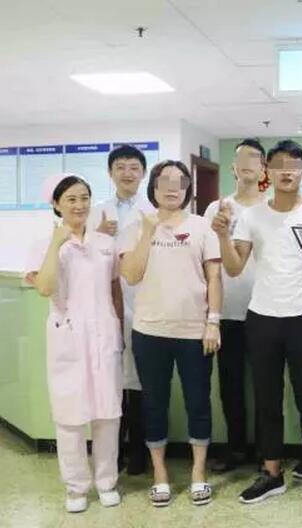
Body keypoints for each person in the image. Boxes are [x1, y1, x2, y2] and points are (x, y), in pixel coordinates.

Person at [213, 140, 302, 505]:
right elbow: (234, 267)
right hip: (262, 318)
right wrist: (222, 235)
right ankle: (271, 473)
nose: (288, 171)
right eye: (280, 164)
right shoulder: (251, 216)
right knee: (266, 400)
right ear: (267, 171)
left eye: (295, 165)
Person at [119, 160, 222, 507]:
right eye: (164, 181)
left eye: (180, 181)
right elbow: (131, 275)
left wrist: (213, 321)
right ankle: (160, 474)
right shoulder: (136, 226)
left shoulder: (201, 226)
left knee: (198, 401)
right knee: (154, 403)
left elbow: (214, 278)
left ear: (188, 188)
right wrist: (149, 232)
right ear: (153, 186)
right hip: (149, 330)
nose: (172, 187)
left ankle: (198, 472)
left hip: (195, 331)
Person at [25, 175, 124, 513]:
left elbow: (114, 287)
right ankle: (76, 488)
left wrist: (118, 327)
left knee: (108, 414)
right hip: (67, 335)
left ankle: (107, 481)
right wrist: (56, 244)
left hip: (104, 335)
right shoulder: (43, 243)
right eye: (71, 199)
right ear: (56, 204)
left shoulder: (104, 242)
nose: (80, 205)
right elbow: (45, 288)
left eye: (84, 198)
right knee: (69, 416)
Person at [87, 144, 155, 476]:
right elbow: (80, 253)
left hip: (143, 301)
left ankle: (139, 450)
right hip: (105, 303)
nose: (127, 173)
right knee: (110, 378)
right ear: (110, 173)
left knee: (140, 379)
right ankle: (112, 451)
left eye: (134, 167)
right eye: (120, 167)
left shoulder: (152, 212)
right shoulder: (96, 212)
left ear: (143, 173)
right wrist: (97, 236)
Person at [203, 139, 267, 472]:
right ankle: (236, 448)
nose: (247, 164)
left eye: (254, 159)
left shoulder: (272, 207)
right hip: (227, 310)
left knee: (264, 385)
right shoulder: (216, 209)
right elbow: (208, 259)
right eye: (241, 158)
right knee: (230, 387)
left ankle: (266, 453)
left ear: (263, 168)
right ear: (233, 167)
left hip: (265, 310)